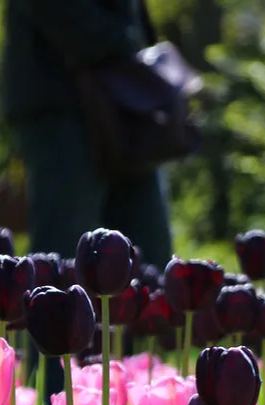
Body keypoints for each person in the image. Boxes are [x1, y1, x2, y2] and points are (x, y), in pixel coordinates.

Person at [2, 0, 172, 264]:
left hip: (126, 103)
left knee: (148, 245)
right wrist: (123, 41)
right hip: (58, 101)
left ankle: (145, 303)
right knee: (63, 246)